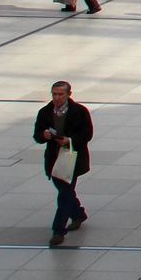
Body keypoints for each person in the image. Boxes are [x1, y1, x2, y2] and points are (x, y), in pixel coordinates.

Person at [34, 80, 93, 247]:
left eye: (61, 94)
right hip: (53, 158)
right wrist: (43, 135)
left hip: (71, 156)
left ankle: (58, 230)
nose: (57, 97)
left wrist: (70, 141)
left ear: (68, 94)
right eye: (54, 94)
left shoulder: (80, 111)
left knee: (64, 193)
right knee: (64, 191)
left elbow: (87, 134)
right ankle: (78, 213)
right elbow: (37, 134)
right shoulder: (45, 112)